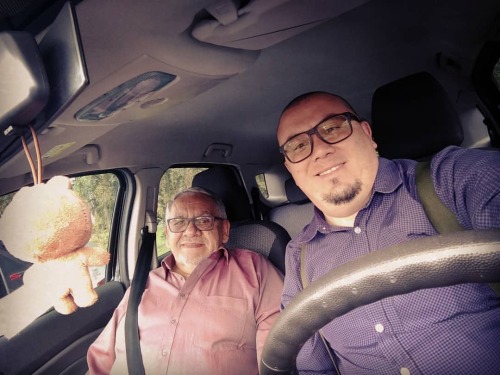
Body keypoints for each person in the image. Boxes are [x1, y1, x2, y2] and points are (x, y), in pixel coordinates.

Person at [276, 91, 500, 375]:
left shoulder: (453, 178)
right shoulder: (299, 257)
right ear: (290, 169)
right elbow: (313, 368)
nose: (319, 150)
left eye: (332, 128)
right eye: (297, 146)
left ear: (367, 133)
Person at [87, 187, 283, 374]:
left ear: (224, 229)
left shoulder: (254, 270)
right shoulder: (142, 285)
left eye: (204, 220)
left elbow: (279, 351)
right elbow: (102, 360)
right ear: (167, 233)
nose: (190, 231)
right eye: (178, 222)